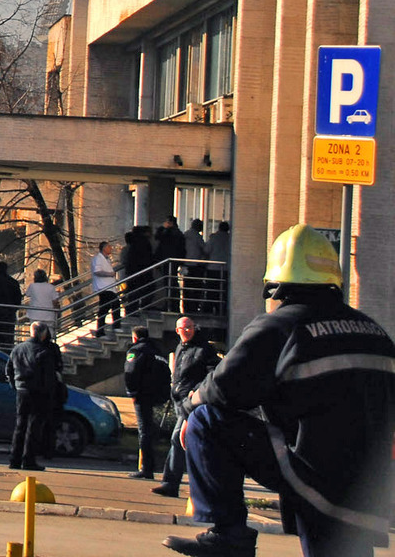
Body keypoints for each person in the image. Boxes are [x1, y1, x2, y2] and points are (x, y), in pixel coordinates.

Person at [164, 225, 395, 557]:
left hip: (311, 474)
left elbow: (224, 388)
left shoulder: (280, 326)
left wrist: (188, 408)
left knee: (206, 419)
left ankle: (230, 536)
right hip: (369, 488)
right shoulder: (375, 333)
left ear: (276, 284)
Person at [153, 316, 220, 499]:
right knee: (189, 442)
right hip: (178, 401)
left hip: (191, 402)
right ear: (178, 331)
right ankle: (203, 485)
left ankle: (170, 484)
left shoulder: (204, 348)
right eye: (184, 328)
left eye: (190, 327)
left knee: (177, 438)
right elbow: (180, 373)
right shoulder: (180, 347)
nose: (188, 331)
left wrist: (196, 390)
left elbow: (213, 373)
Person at [4, 321, 62, 471]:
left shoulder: (18, 349)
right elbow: (50, 376)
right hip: (39, 392)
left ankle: (14, 458)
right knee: (34, 427)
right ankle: (28, 459)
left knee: (20, 425)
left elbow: (9, 369)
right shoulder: (44, 351)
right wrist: (50, 392)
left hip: (22, 391)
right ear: (43, 334)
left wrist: (15, 385)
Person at [124, 326, 171, 479]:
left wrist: (132, 393)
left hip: (142, 396)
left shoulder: (136, 351)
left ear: (135, 337)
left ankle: (146, 468)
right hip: (156, 396)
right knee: (150, 430)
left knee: (144, 431)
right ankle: (150, 465)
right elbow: (166, 373)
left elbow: (130, 372)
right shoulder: (157, 351)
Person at [153, 216, 187, 312]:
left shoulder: (169, 233)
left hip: (168, 260)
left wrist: (162, 228)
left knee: (169, 282)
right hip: (173, 260)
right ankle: (173, 304)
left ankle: (170, 304)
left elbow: (159, 237)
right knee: (171, 282)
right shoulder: (178, 233)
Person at [92, 240, 121, 334]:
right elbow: (97, 271)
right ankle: (115, 326)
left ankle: (100, 330)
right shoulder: (98, 258)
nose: (111, 248)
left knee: (105, 308)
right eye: (109, 247)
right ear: (104, 248)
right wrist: (109, 274)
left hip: (108, 287)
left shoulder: (107, 259)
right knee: (114, 304)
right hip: (103, 287)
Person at [124, 226, 155, 314]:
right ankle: (143, 307)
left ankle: (131, 309)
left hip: (132, 271)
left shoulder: (133, 242)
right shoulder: (143, 242)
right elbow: (147, 257)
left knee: (133, 291)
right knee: (147, 288)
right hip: (142, 270)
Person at [184, 219, 209, 313]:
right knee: (196, 287)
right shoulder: (197, 236)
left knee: (187, 288)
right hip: (196, 265)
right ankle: (194, 307)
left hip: (186, 264)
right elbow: (205, 249)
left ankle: (186, 307)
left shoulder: (186, 234)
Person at [206, 222, 232, 313]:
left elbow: (207, 250)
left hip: (213, 267)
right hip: (226, 268)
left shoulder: (214, 237)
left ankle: (209, 309)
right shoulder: (230, 238)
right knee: (223, 291)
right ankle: (221, 309)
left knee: (211, 291)